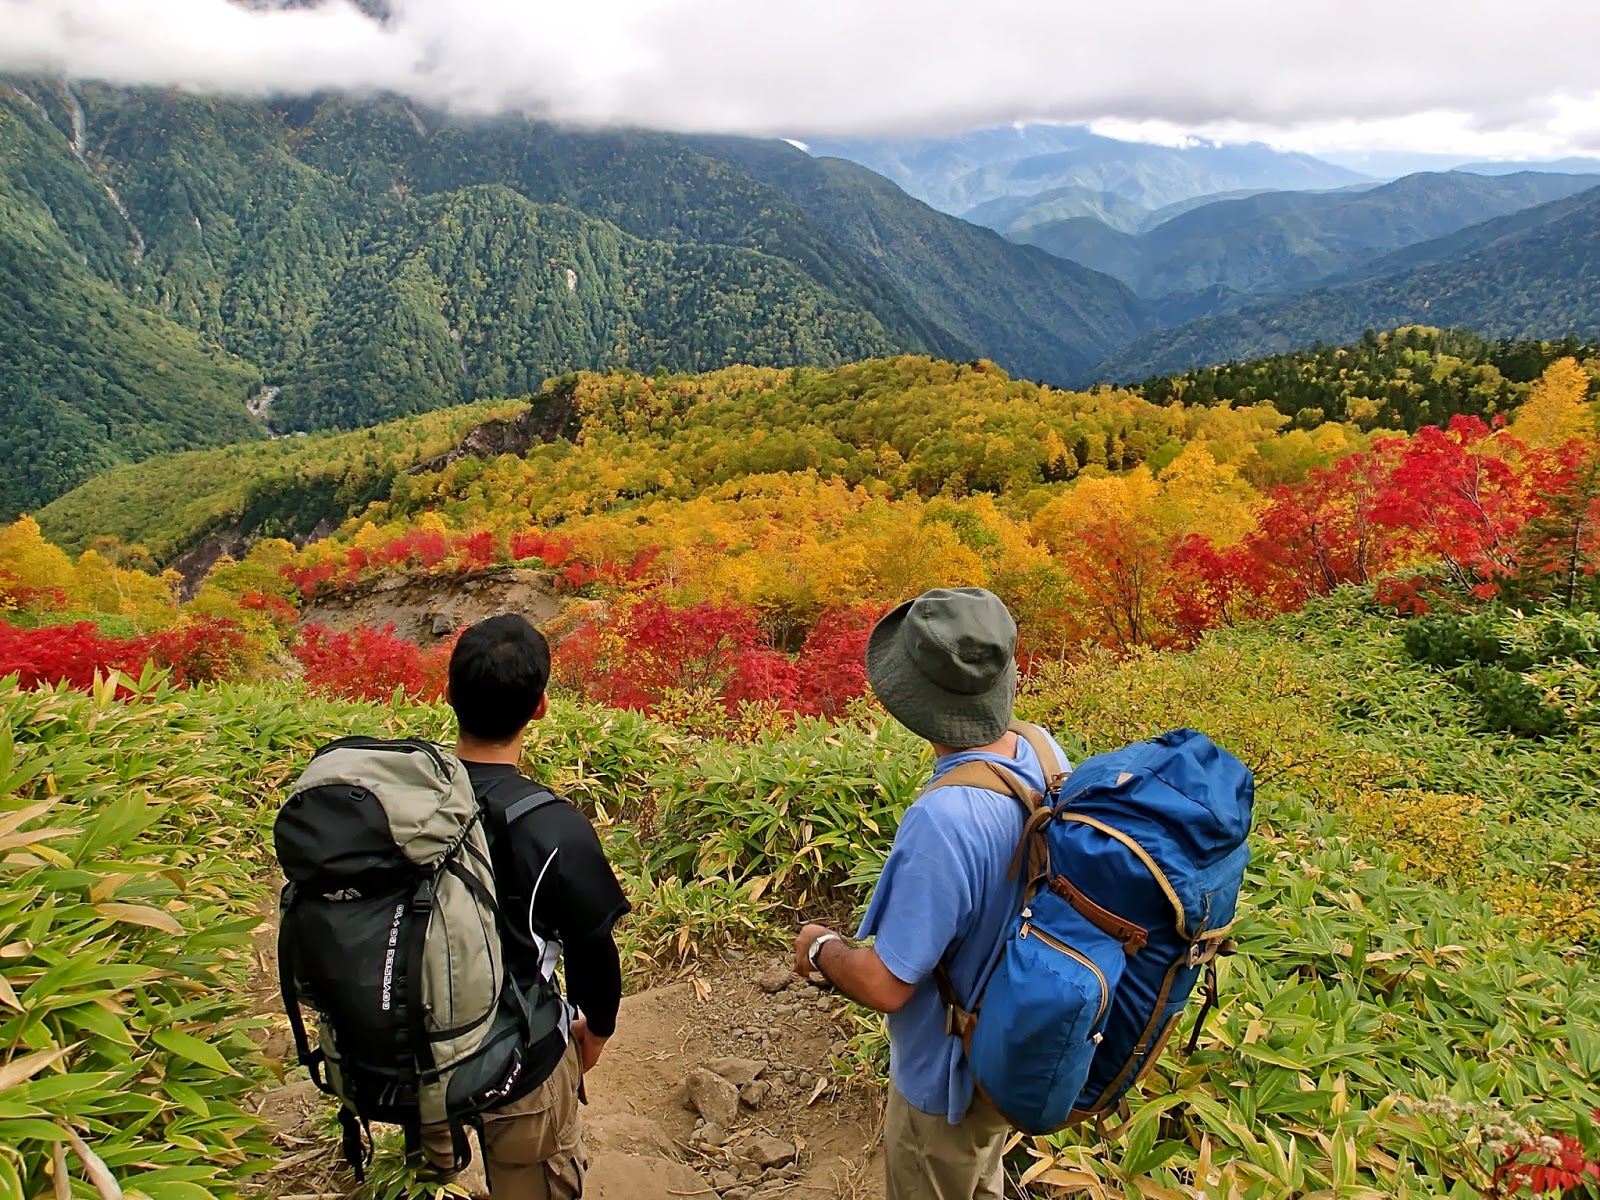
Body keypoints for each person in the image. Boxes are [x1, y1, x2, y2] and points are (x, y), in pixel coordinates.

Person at [791, 588, 1070, 1200]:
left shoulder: (943, 819)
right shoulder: (1042, 750)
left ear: (913, 703)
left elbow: (887, 984)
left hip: (948, 1080)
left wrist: (819, 950)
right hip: (1010, 1042)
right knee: (978, 1174)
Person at [421, 613, 631, 1198]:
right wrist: (597, 1030)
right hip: (517, 1060)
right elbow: (593, 950)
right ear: (540, 706)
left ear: (449, 694)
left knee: (431, 1179)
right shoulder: (552, 827)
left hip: (409, 1048)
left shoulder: (405, 802)